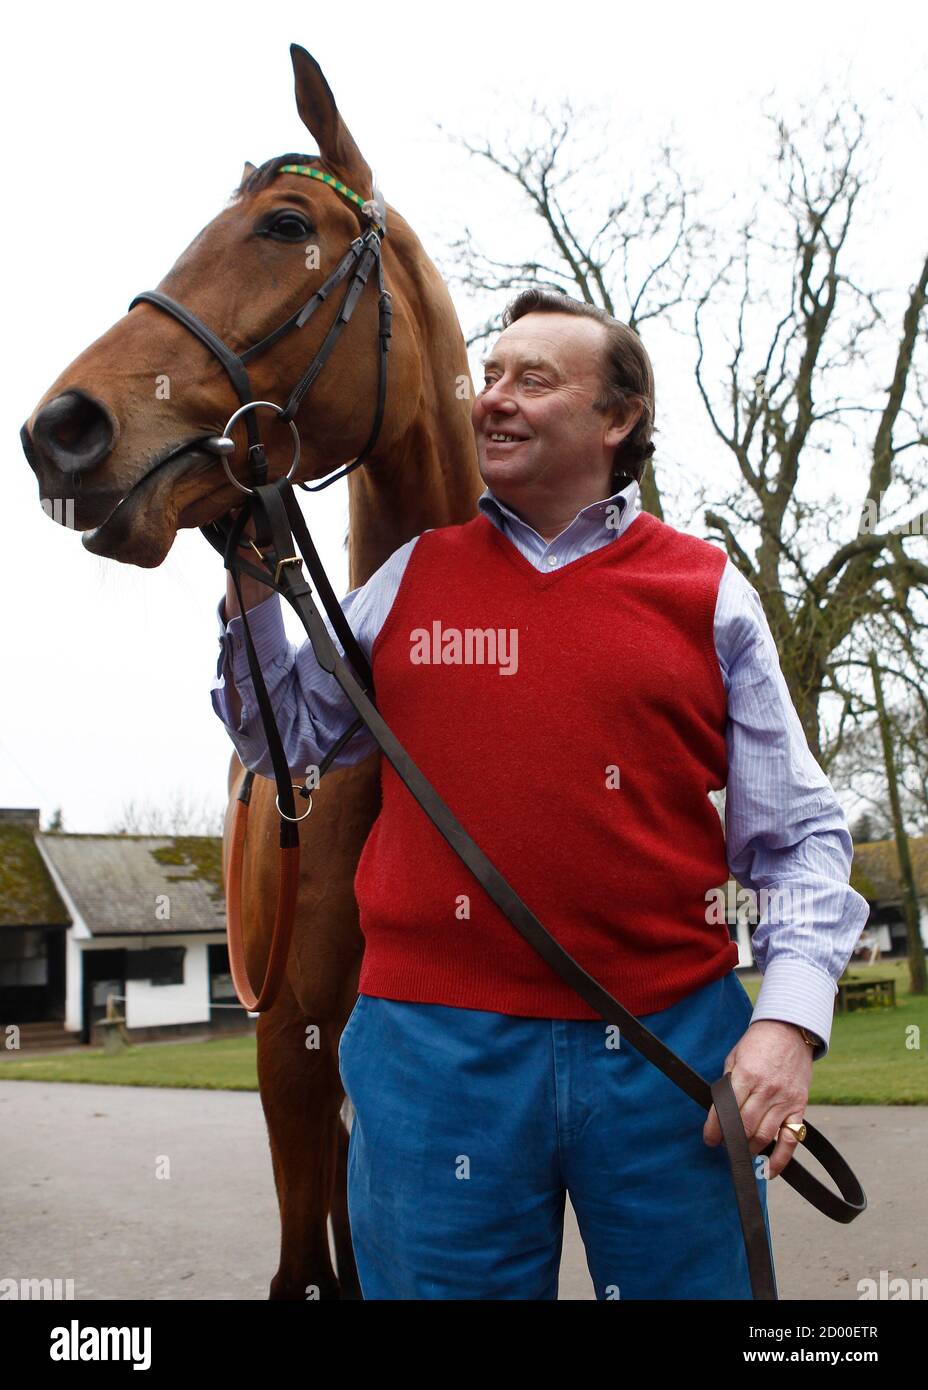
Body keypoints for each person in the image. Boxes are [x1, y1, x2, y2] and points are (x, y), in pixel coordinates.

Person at [210, 287, 868, 1300]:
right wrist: (252, 585)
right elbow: (282, 736)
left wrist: (786, 1022)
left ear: (617, 419)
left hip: (665, 1052)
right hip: (432, 1058)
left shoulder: (708, 591)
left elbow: (799, 837)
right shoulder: (407, 578)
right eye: (492, 374)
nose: (492, 399)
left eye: (534, 378)